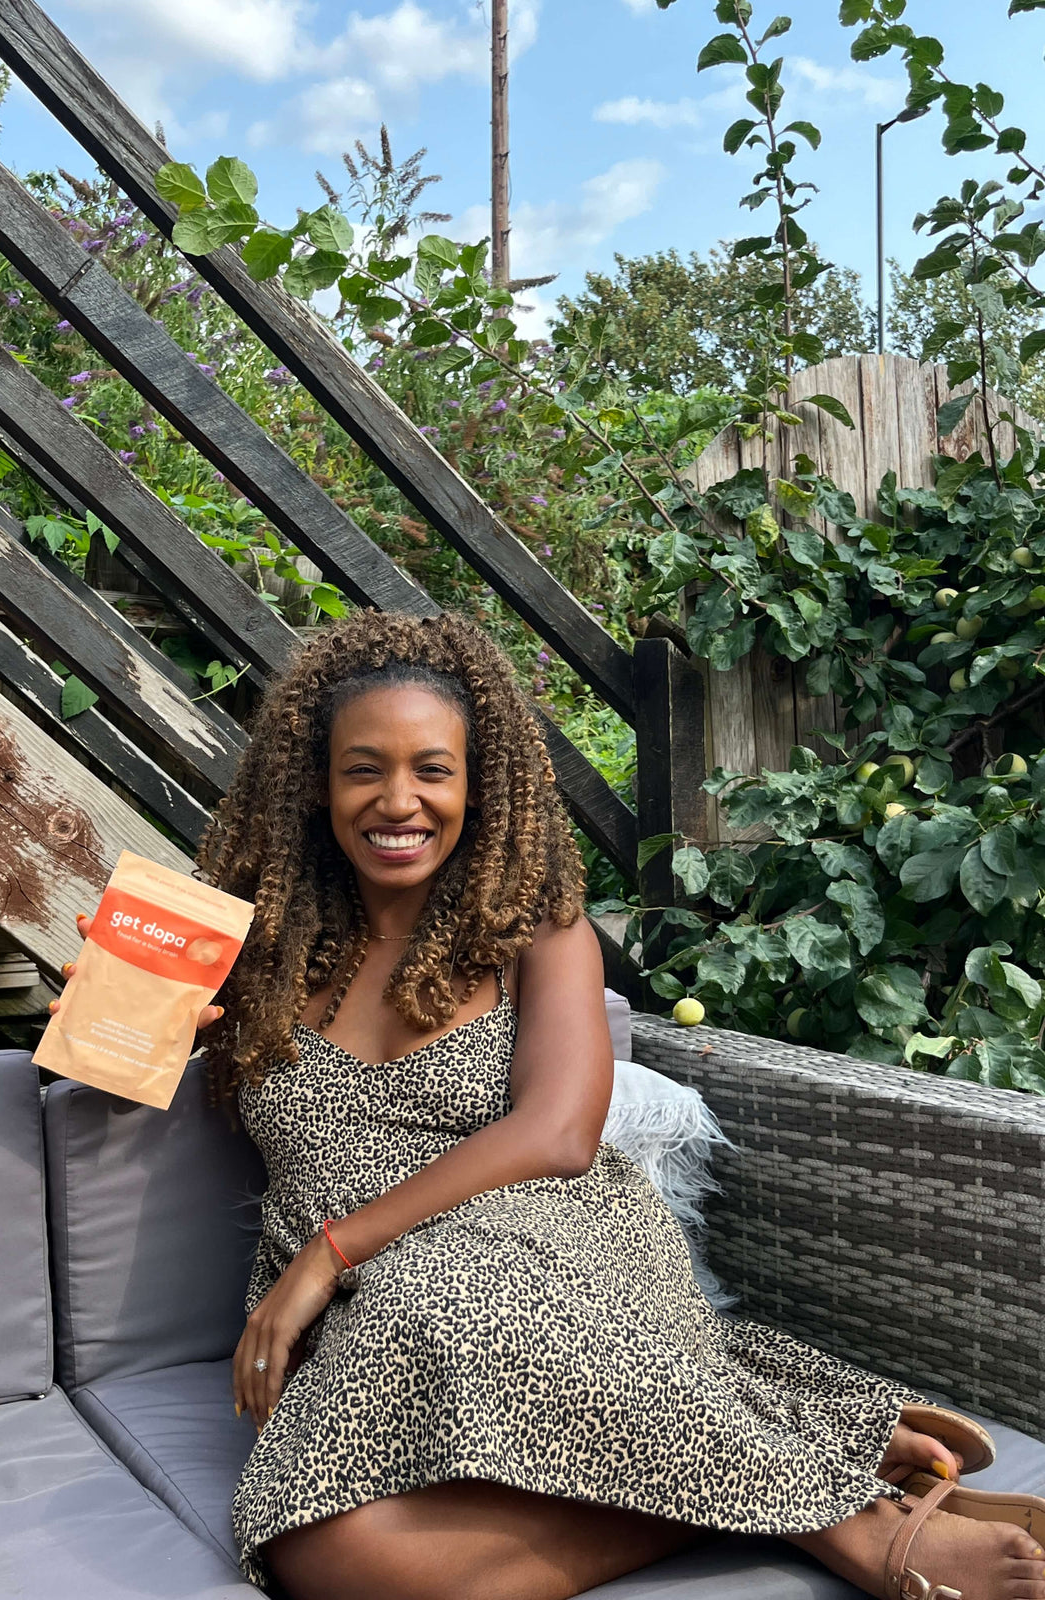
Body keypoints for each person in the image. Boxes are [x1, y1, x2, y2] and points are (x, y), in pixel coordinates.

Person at [57, 609, 1045, 1600]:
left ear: (480, 785)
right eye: (364, 768)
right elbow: (101, 1065)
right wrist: (124, 1025)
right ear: (318, 785)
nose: (397, 799)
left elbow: (561, 1134)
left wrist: (333, 1246)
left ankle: (861, 1530)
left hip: (547, 1242)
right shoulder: (252, 948)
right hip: (363, 1306)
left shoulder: (539, 934)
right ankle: (792, 1473)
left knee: (432, 1288)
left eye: (432, 769)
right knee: (323, 1557)